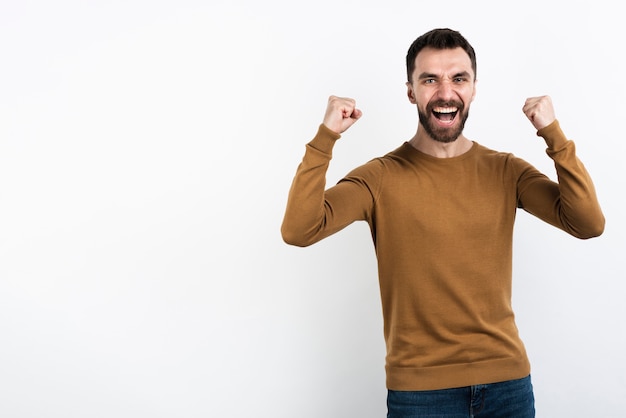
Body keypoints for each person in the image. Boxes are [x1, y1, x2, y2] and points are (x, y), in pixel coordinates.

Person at [280, 28, 605, 417]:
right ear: (411, 91)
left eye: (458, 78)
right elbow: (299, 229)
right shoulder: (379, 177)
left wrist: (553, 134)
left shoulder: (506, 171)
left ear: (473, 88)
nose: (446, 92)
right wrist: (326, 137)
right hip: (420, 394)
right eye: (430, 79)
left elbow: (587, 223)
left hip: (507, 387)